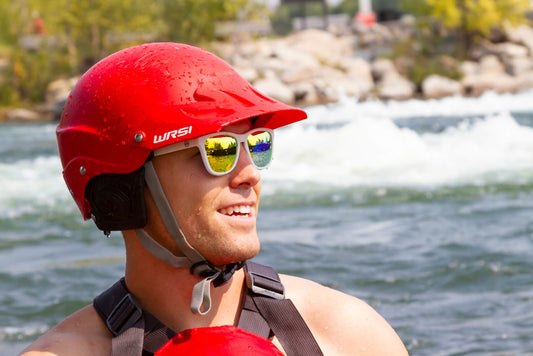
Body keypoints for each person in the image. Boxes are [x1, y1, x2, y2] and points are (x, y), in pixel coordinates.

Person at [20, 42, 408, 356]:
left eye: (255, 146)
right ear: (122, 191)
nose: (251, 174)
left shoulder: (349, 335)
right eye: (217, 151)